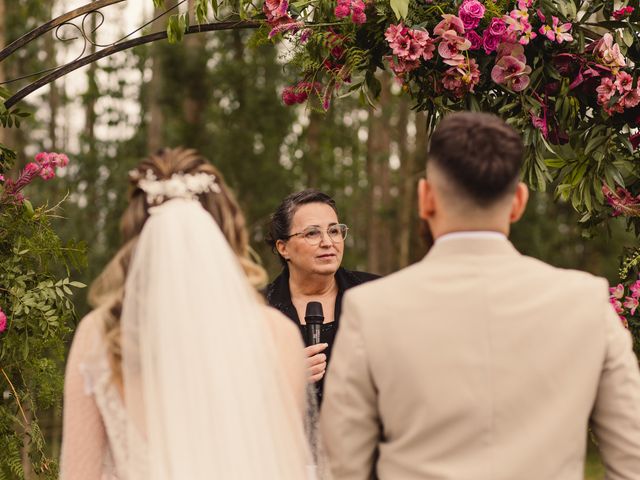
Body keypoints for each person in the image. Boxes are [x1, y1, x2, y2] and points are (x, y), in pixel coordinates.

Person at [320, 112, 640, 480]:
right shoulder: (587, 303)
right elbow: (632, 462)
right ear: (518, 201)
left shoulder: (371, 309)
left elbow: (343, 467)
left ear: (426, 199)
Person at [61, 148, 311, 479]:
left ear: (137, 236)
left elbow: (79, 473)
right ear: (227, 230)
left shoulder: (102, 333)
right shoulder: (276, 334)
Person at [265, 189, 378, 404]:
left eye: (334, 231)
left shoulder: (375, 293)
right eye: (312, 233)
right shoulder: (260, 310)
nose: (328, 242)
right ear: (283, 248)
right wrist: (284, 381)